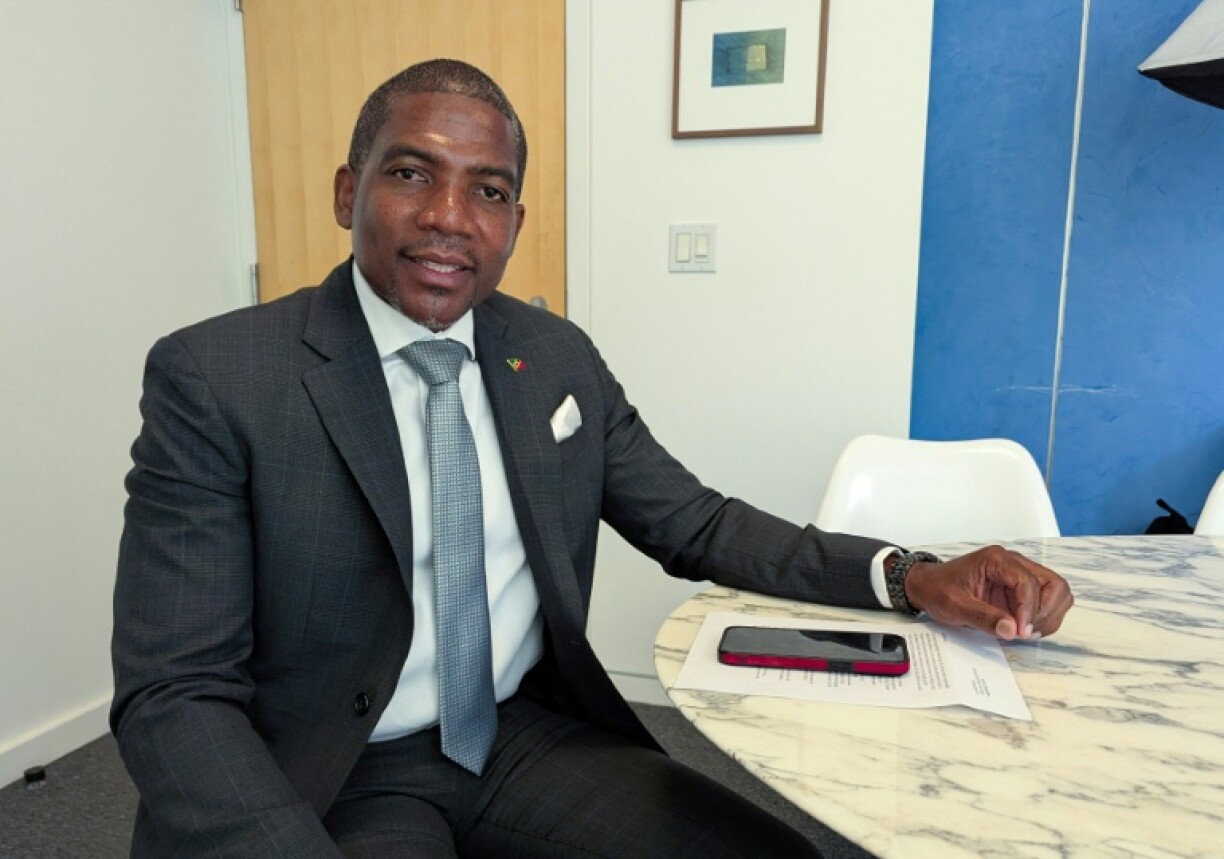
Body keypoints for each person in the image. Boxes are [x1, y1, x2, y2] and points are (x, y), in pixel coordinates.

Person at [111, 58, 1074, 858]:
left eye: (488, 191)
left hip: (516, 735)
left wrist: (911, 576)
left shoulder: (552, 356)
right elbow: (173, 692)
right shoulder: (219, 376)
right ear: (345, 192)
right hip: (335, 772)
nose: (450, 215)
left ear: (513, 224)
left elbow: (697, 522)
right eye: (410, 174)